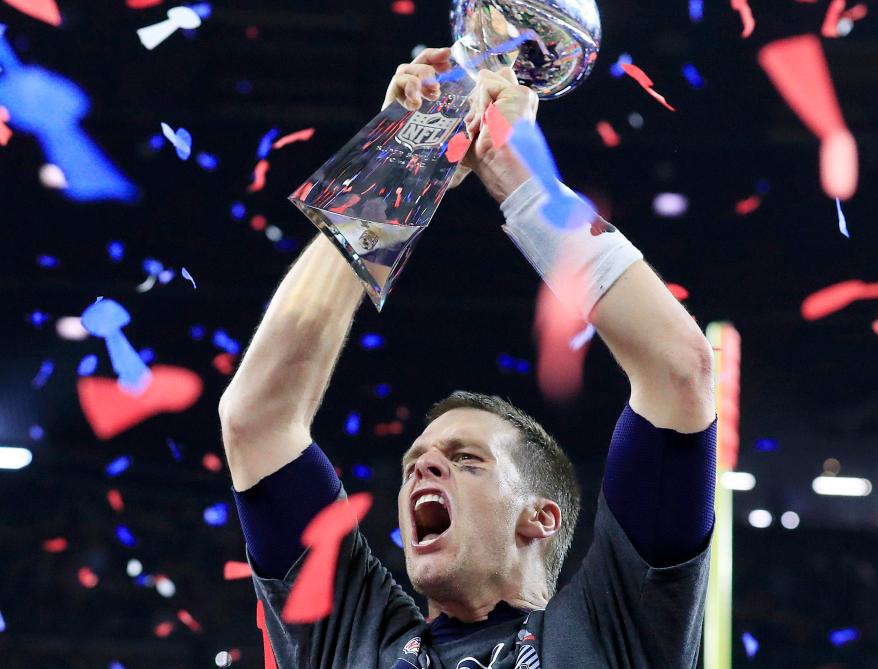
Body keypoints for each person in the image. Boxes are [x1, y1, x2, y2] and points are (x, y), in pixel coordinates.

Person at [220, 46, 718, 669]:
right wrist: (398, 167)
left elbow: (679, 368)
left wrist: (519, 177)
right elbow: (256, 421)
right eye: (413, 465)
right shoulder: (354, 640)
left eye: (466, 460)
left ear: (540, 517)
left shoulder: (616, 628)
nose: (422, 472)